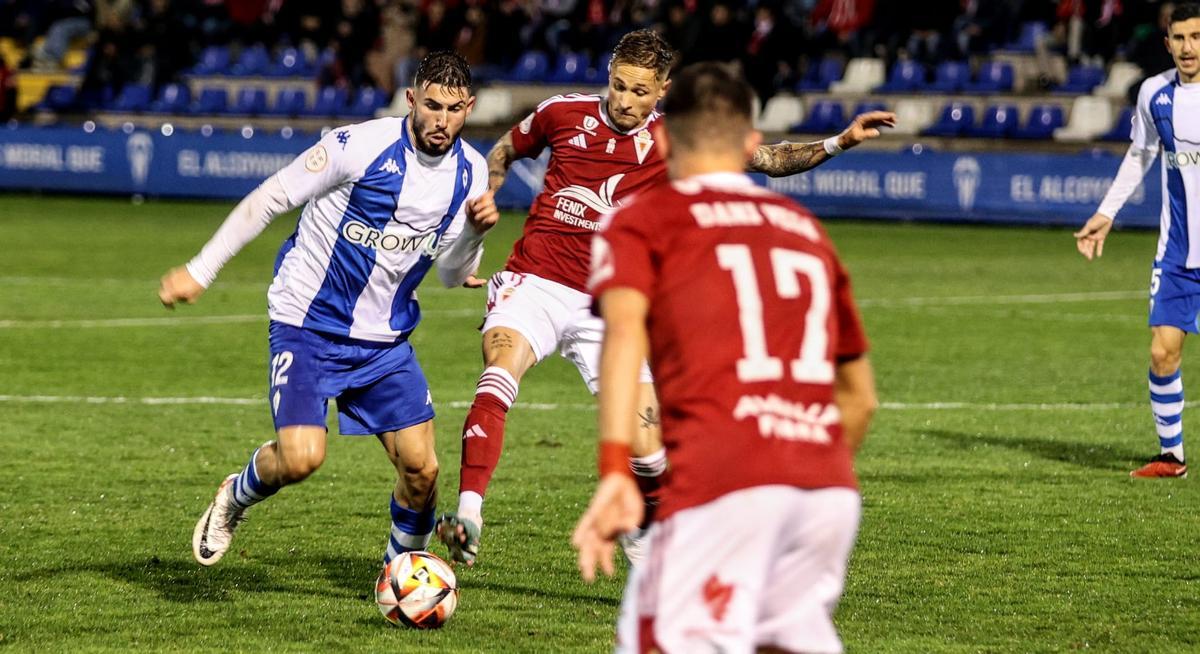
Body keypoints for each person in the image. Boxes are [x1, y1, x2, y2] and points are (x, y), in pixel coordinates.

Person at [437, 27, 895, 567]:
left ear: (663, 91)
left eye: (639, 91)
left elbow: (769, 159)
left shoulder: (673, 137)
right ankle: (470, 515)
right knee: (499, 370)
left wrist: (840, 141)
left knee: (649, 452)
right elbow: (507, 148)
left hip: (612, 305)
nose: (625, 101)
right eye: (618, 86)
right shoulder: (562, 112)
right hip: (535, 280)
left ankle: (644, 534)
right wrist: (488, 192)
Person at [573, 61, 877, 653]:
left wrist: (615, 469)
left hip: (721, 483)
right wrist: (801, 466)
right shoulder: (804, 228)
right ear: (752, 143)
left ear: (661, 139)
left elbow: (624, 335)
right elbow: (860, 399)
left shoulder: (642, 220)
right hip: (826, 495)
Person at [157, 51, 496, 568]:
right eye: (431, 105)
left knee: (423, 472)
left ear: (468, 107)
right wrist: (200, 270)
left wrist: (473, 233)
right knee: (300, 459)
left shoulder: (471, 174)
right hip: (307, 326)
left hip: (384, 343)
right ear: (411, 99)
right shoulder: (357, 146)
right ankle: (235, 495)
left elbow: (452, 274)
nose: (441, 120)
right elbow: (271, 197)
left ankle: (400, 576)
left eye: (453, 109)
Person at [1074, 3, 1200, 479]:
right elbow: (1140, 154)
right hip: (1178, 254)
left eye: (1197, 36)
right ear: (1167, 43)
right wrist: (1106, 213)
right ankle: (1173, 457)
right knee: (1162, 351)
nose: (1189, 47)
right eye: (1180, 39)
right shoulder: (1154, 94)